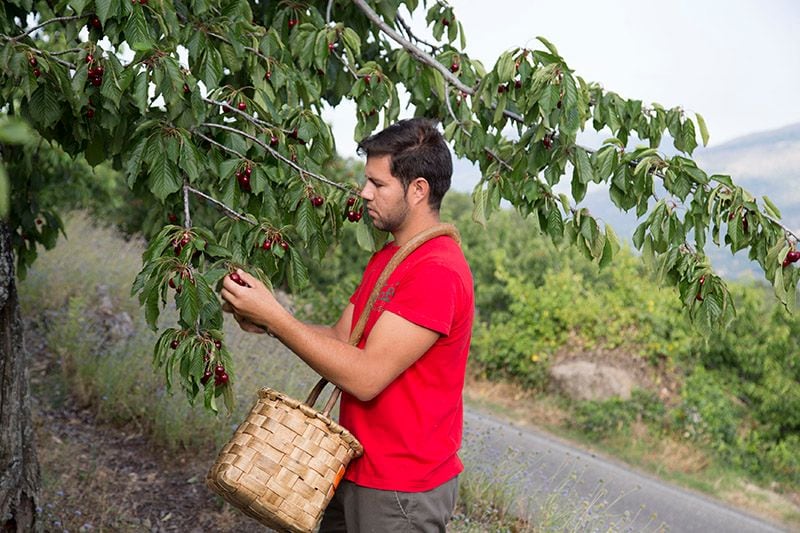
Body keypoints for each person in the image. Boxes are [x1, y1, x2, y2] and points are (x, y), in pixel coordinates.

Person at [220, 118, 474, 532]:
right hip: (351, 465)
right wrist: (263, 319)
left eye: (378, 184)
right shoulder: (391, 258)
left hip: (400, 490)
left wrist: (277, 317)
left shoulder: (436, 270)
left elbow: (366, 376)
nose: (364, 193)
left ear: (418, 190)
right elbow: (342, 339)